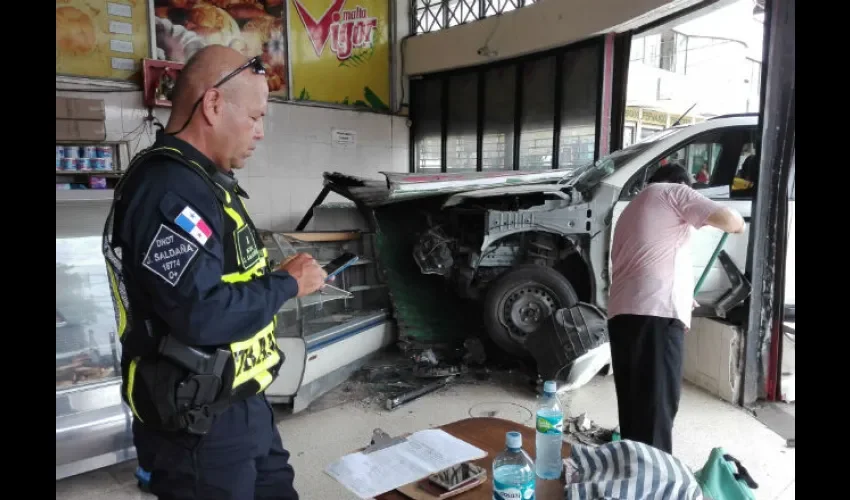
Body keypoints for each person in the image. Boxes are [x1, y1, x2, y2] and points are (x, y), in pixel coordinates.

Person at [101, 45, 327, 500]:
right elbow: (199, 313)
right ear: (213, 104)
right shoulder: (169, 190)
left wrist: (272, 276)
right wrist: (287, 284)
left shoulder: (203, 182)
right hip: (198, 428)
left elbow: (218, 280)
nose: (260, 133)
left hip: (240, 402)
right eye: (256, 117)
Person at [607, 164, 745, 454]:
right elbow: (729, 220)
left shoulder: (633, 208)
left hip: (624, 314)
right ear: (684, 185)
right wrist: (739, 224)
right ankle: (658, 488)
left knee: (634, 411)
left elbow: (649, 260)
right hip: (656, 315)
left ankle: (636, 479)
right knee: (656, 411)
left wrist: (683, 296)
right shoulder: (674, 192)